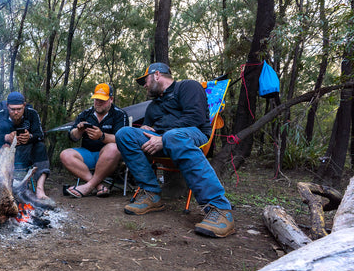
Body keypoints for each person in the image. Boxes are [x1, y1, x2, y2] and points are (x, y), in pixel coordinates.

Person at [115, 62, 235, 238]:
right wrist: (145, 130)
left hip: (194, 135)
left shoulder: (188, 86)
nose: (145, 86)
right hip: (162, 141)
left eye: (146, 81)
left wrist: (163, 138)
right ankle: (151, 194)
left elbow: (195, 117)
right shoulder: (153, 106)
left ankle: (221, 209)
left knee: (173, 136)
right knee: (124, 134)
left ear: (157, 75)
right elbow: (148, 128)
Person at [60, 83, 129, 198]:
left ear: (111, 99)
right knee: (65, 154)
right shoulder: (85, 114)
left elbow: (122, 139)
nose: (98, 103)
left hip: (109, 157)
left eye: (103, 100)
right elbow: (72, 137)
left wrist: (101, 136)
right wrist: (79, 131)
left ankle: (88, 186)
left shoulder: (120, 114)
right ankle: (98, 186)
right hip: (88, 153)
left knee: (113, 148)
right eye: (96, 99)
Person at [0, 91, 50, 200]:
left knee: (40, 147)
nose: (16, 112)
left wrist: (30, 137)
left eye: (19, 109)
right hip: (5, 154)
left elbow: (40, 135)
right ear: (7, 106)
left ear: (24, 105)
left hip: (26, 153)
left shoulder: (32, 114)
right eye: (12, 109)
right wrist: (6, 137)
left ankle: (40, 189)